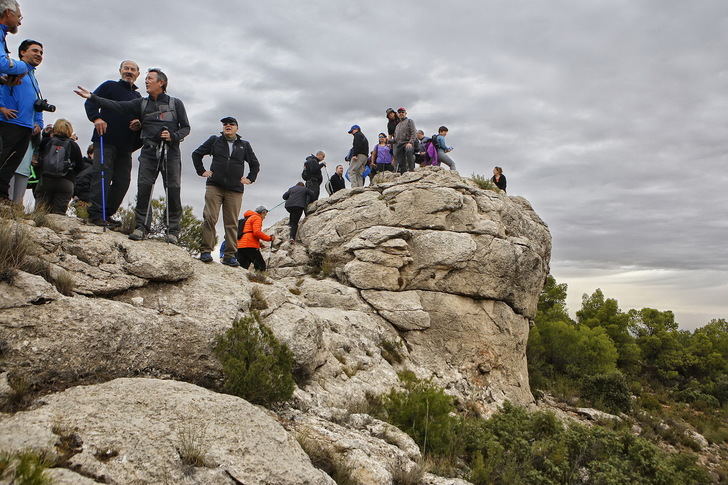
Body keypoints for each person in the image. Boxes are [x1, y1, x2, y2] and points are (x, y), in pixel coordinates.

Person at [74, 68, 191, 243]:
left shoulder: (176, 103)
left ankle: (173, 231)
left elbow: (186, 127)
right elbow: (118, 106)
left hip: (170, 153)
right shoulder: (141, 103)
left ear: (161, 83)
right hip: (148, 153)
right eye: (146, 78)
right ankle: (141, 227)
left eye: (150, 78)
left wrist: (174, 136)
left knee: (173, 190)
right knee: (144, 189)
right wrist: (92, 97)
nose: (146, 81)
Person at [192, 116, 260, 267]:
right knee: (210, 217)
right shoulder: (214, 141)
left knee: (231, 223)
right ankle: (205, 252)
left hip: (235, 190)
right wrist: (202, 171)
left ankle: (229, 256)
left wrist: (250, 178)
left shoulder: (244, 145)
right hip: (214, 186)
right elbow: (196, 154)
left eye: (231, 124)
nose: (227, 126)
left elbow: (255, 164)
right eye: (225, 124)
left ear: (237, 128)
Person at [83, 60, 142, 226]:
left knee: (123, 181)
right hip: (105, 139)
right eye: (126, 68)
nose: (129, 71)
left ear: (138, 74)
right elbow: (90, 101)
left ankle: (107, 213)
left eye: (133, 69)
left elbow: (141, 119)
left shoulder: (138, 97)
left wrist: (138, 123)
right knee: (102, 174)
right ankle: (96, 214)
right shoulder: (109, 86)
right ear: (120, 71)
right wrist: (96, 118)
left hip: (126, 145)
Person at [0, 38, 42, 203]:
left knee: (12, 163)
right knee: (4, 159)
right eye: (34, 51)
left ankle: (3, 195)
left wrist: (39, 122)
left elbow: (36, 102)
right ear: (23, 52)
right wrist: (1, 108)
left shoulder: (32, 76)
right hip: (9, 122)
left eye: (41, 52)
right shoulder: (15, 68)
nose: (39, 55)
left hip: (26, 126)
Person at [34, 119, 84, 214]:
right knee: (58, 214)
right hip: (66, 182)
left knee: (40, 212)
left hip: (46, 180)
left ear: (55, 129)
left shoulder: (46, 142)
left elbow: (38, 157)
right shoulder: (74, 146)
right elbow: (80, 167)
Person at [237, 205, 274, 271]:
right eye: (265, 215)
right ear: (263, 212)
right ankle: (260, 279)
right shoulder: (257, 217)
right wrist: (269, 238)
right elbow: (256, 232)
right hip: (250, 245)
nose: (265, 217)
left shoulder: (247, 219)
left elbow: (247, 233)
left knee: (242, 268)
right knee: (261, 266)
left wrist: (259, 244)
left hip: (240, 245)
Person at [393, 107, 416, 173]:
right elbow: (396, 139)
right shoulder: (397, 126)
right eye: (399, 112)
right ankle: (403, 173)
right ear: (397, 114)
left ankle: (411, 170)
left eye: (402, 112)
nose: (401, 113)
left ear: (405, 113)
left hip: (408, 143)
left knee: (409, 149)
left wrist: (410, 142)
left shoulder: (410, 121)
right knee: (401, 162)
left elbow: (413, 133)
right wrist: (387, 141)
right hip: (399, 145)